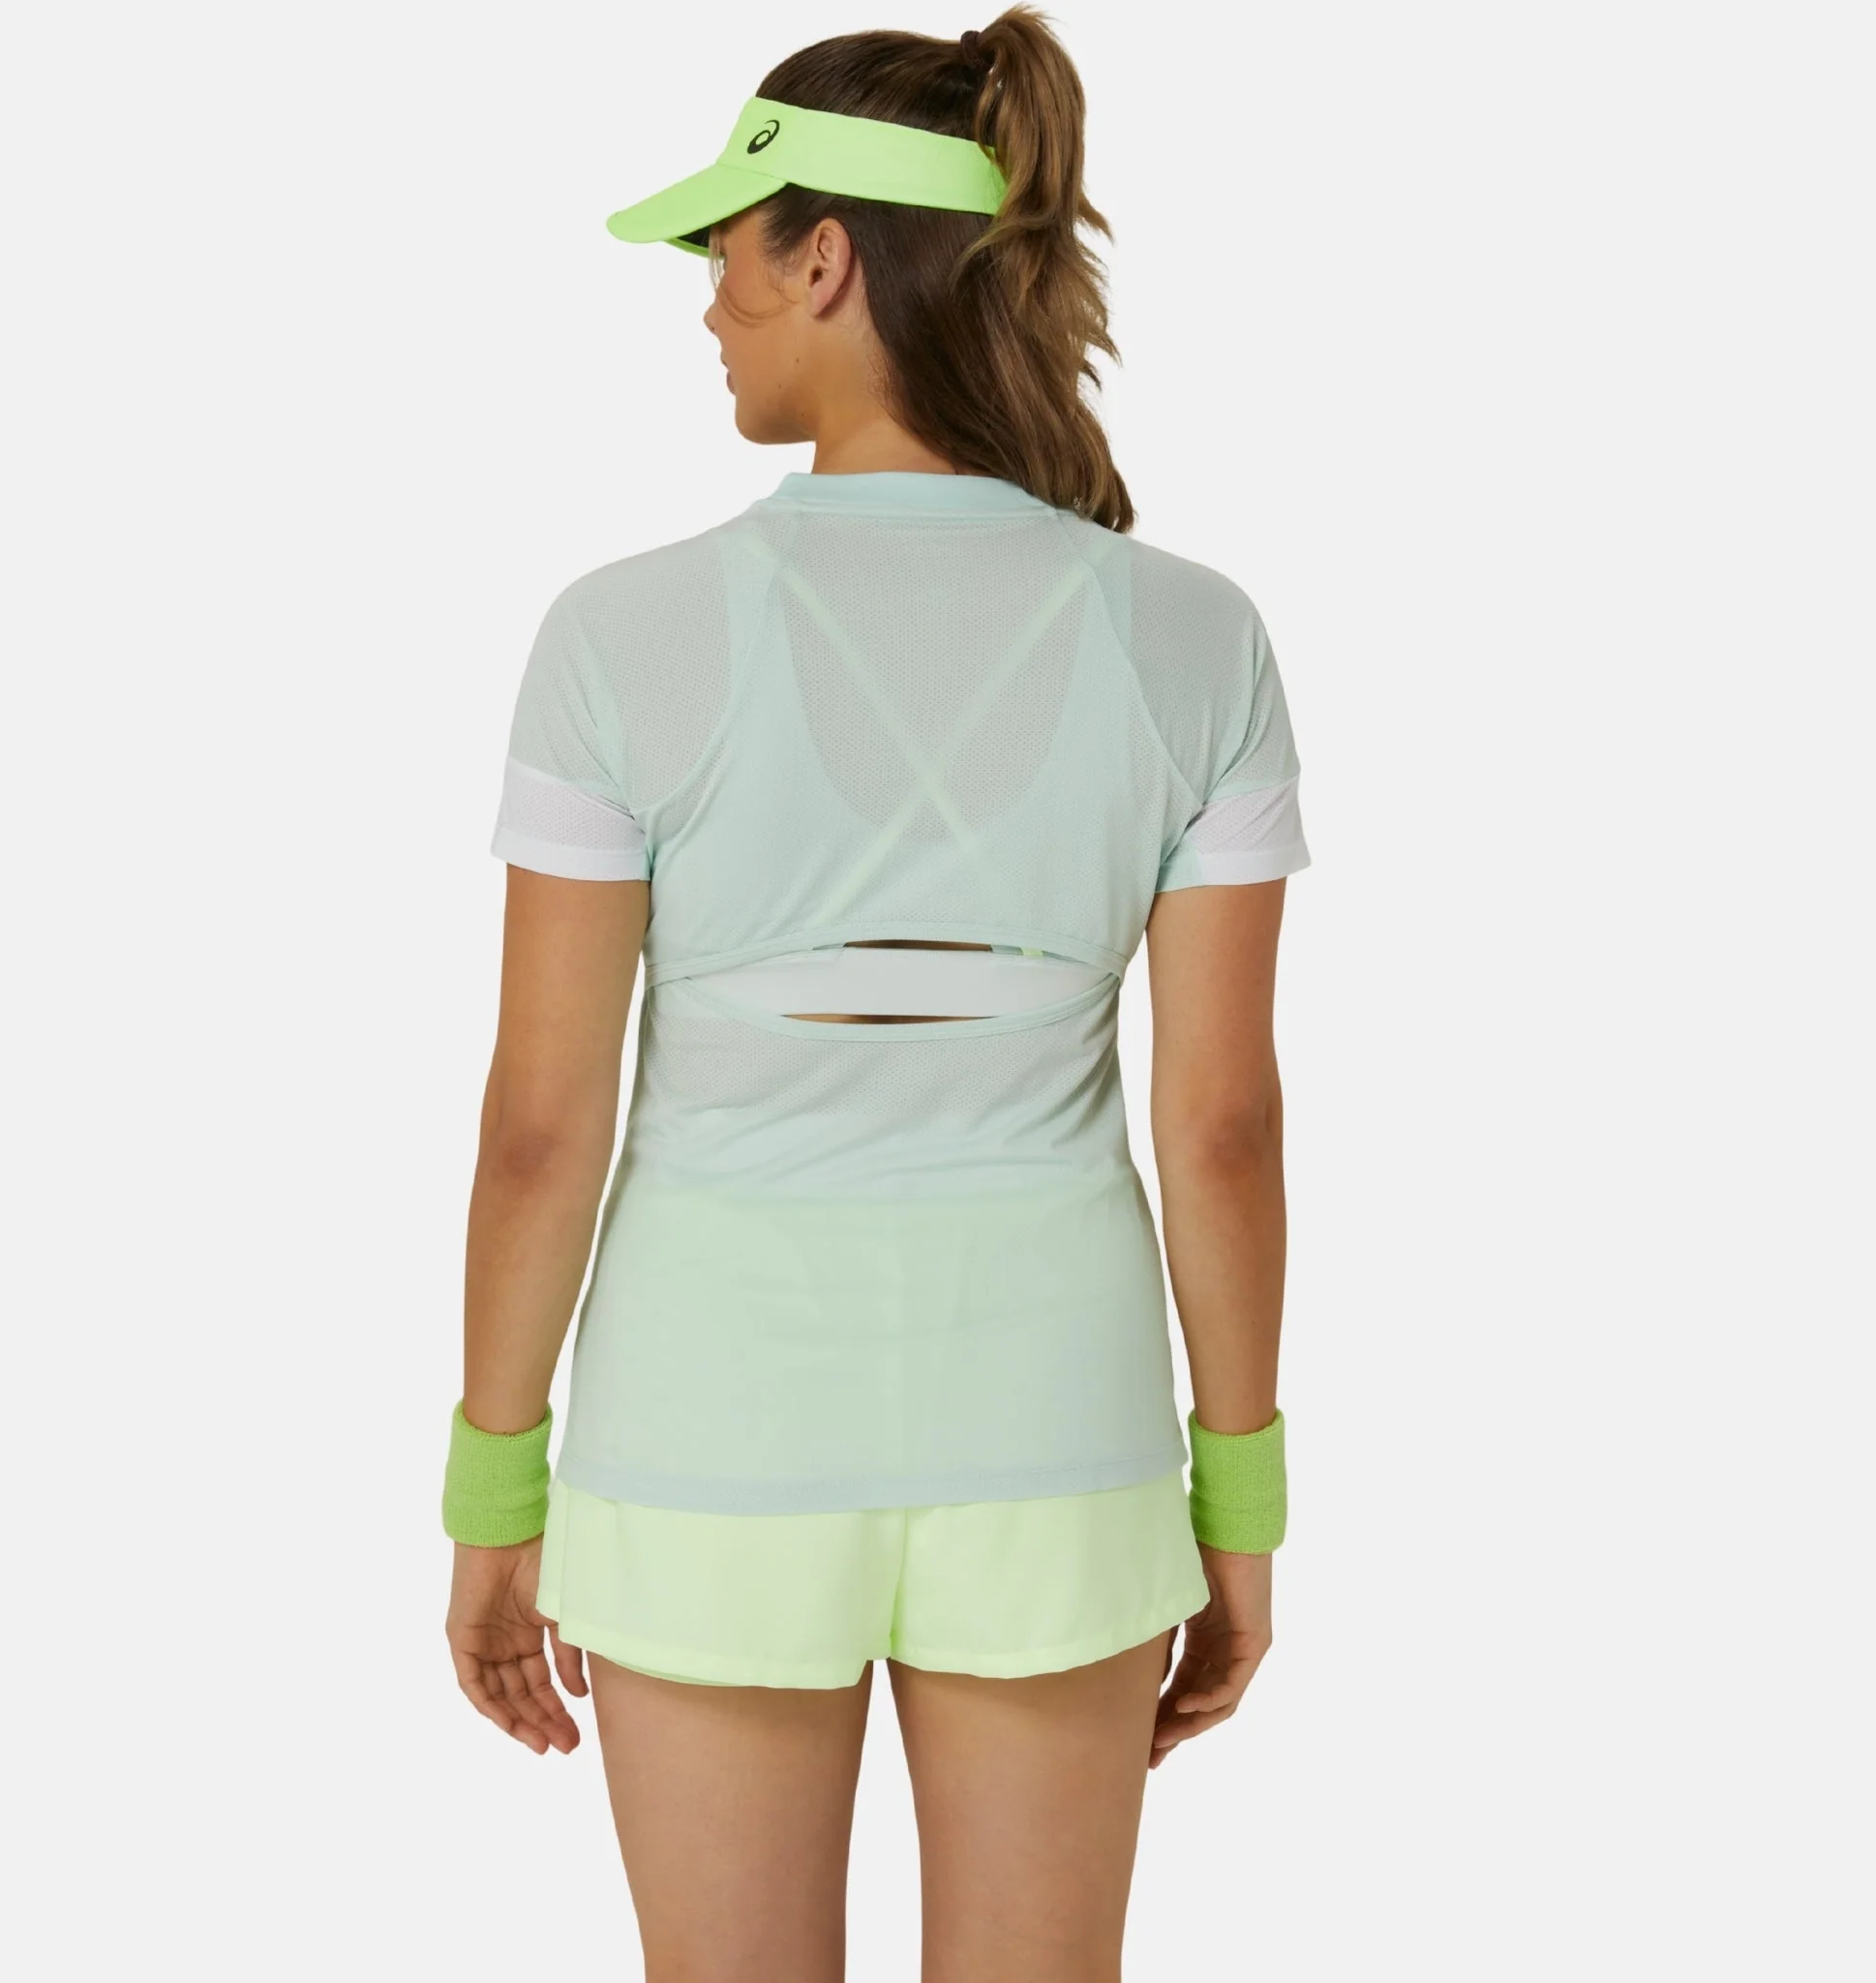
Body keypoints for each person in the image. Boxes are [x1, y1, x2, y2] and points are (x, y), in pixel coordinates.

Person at [441, 10, 1311, 1977]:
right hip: (1056, 1429)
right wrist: (1238, 1500)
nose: (708, 308)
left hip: (707, 1436)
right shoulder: (1196, 638)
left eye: (727, 255)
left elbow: (540, 1129)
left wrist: (494, 1483)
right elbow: (1222, 1127)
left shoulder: (619, 638)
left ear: (823, 255)